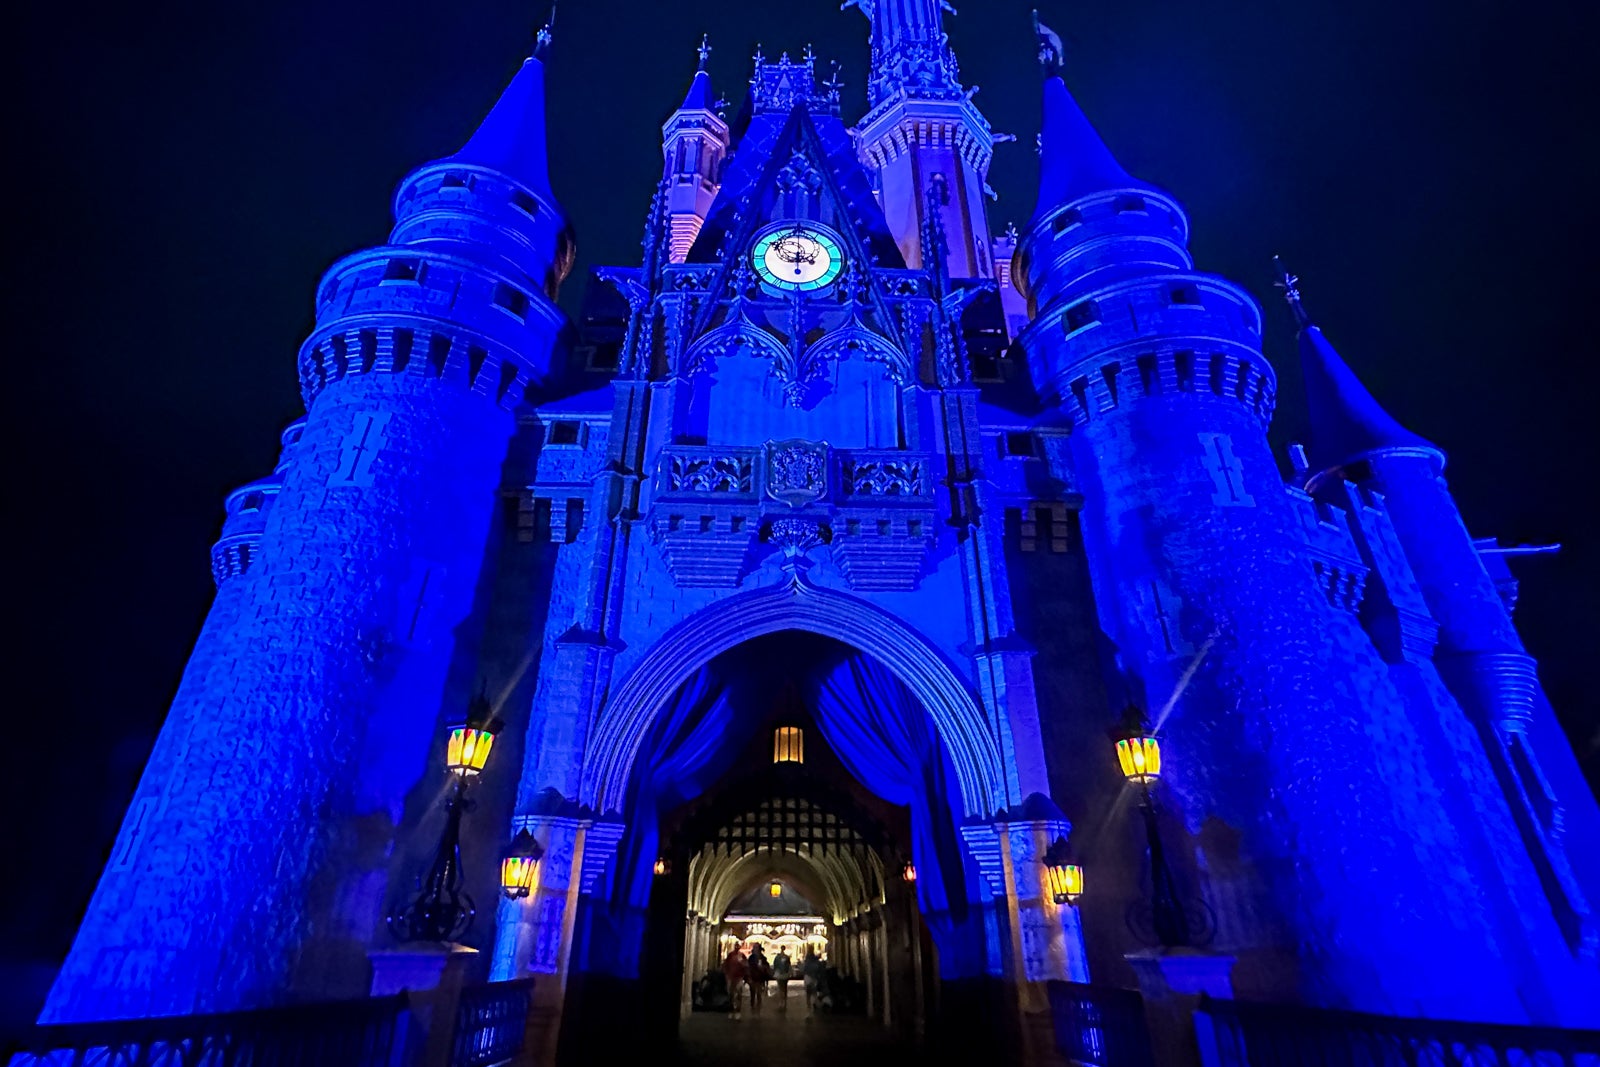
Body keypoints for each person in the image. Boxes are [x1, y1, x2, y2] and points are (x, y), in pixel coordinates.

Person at [721, 946, 747, 1021]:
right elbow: (726, 964)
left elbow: (745, 966)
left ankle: (737, 1011)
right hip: (731, 977)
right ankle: (731, 1010)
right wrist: (726, 975)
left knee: (738, 994)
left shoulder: (742, 956)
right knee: (731, 995)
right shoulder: (731, 955)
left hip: (739, 977)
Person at [746, 943, 770, 1015]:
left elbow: (766, 967)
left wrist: (764, 969)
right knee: (752, 992)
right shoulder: (751, 958)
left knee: (759, 993)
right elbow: (748, 967)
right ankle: (753, 1006)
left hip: (760, 977)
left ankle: (758, 1007)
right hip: (753, 976)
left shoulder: (762, 958)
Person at [801, 948, 824, 1015]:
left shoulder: (807, 960)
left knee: (808, 995)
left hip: (808, 977)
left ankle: (809, 1010)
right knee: (814, 993)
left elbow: (804, 969)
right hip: (814, 978)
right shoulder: (816, 961)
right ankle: (817, 1004)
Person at [771, 947, 793, 1013]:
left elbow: (775, 966)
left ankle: (781, 1002)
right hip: (785, 974)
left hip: (779, 974)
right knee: (784, 988)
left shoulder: (777, 957)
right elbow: (789, 965)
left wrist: (774, 971)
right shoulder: (787, 957)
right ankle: (784, 1002)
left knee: (780, 988)